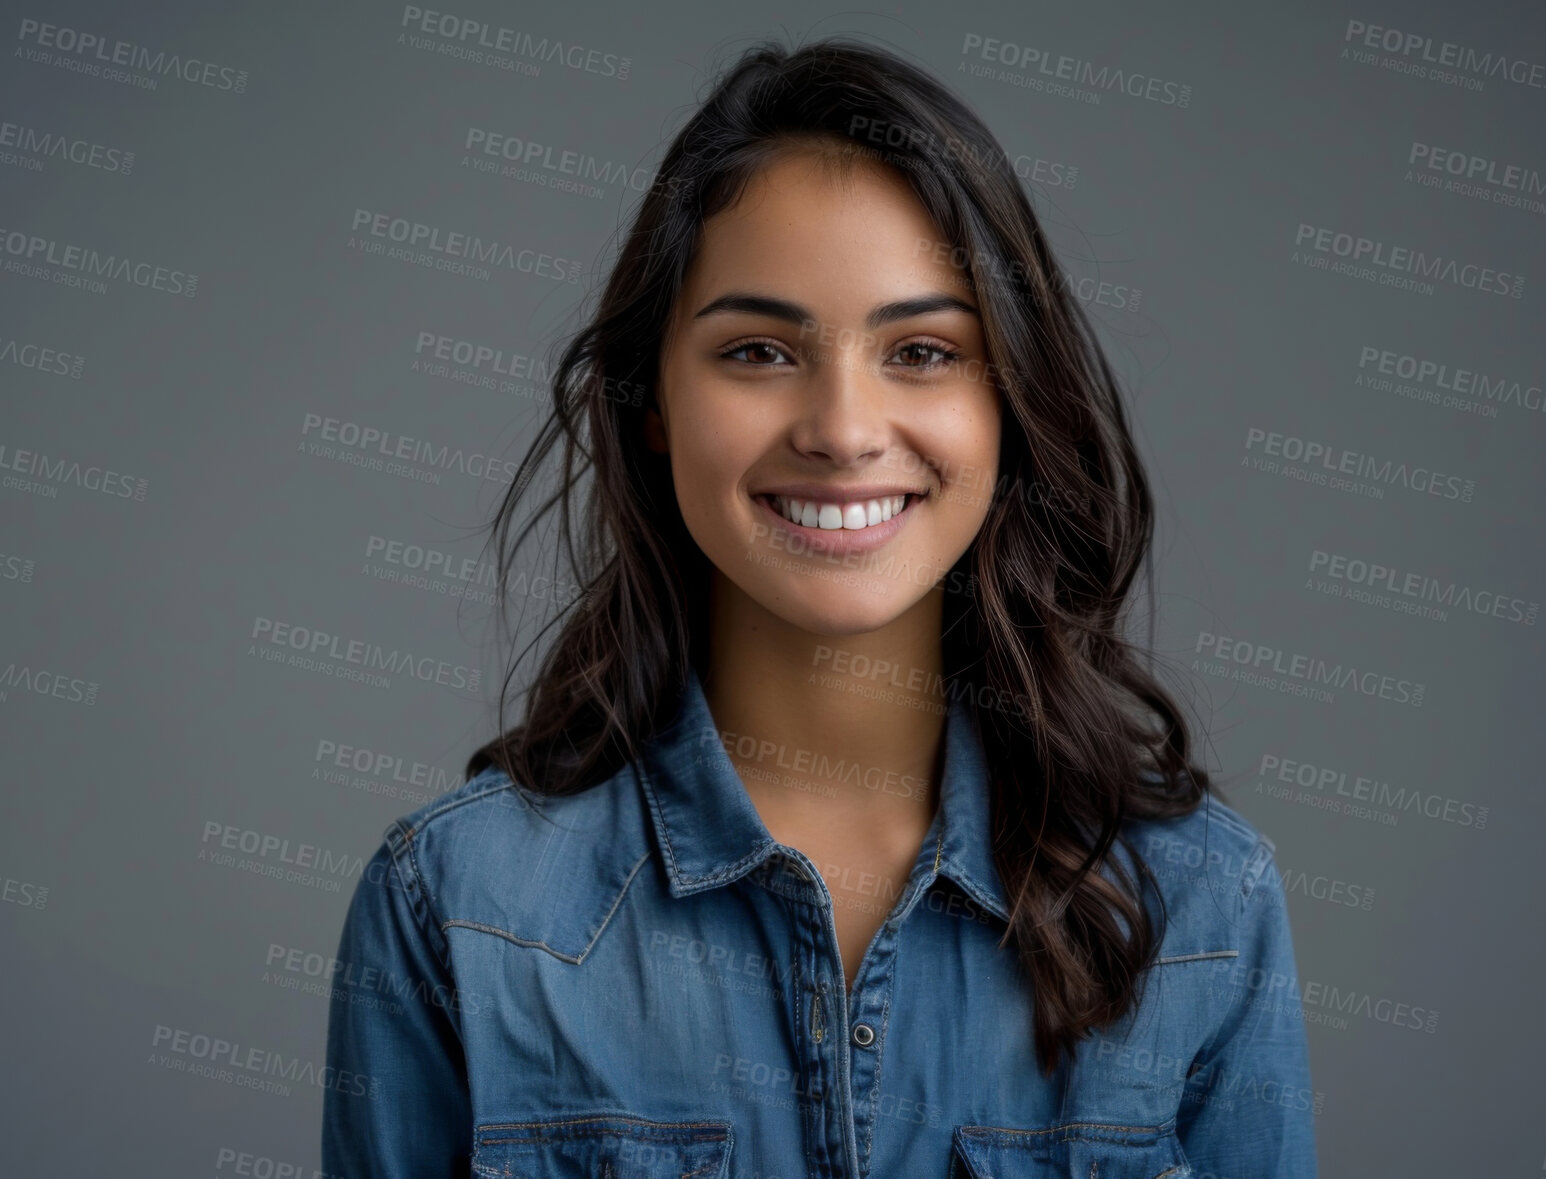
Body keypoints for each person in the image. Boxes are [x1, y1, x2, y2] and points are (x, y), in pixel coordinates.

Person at [323, 35, 1317, 1179]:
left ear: (1009, 400)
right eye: (757, 350)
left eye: (922, 351)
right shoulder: (456, 908)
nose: (842, 431)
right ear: (652, 402)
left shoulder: (1204, 906)